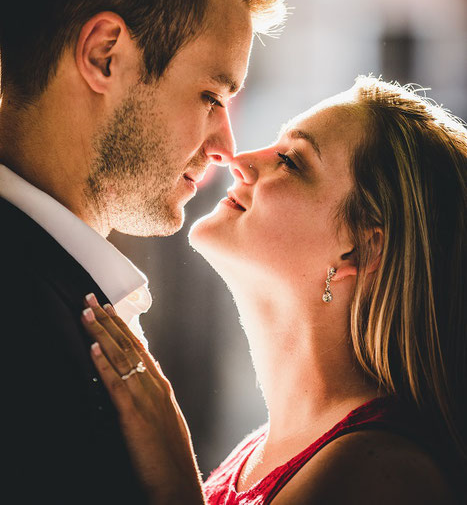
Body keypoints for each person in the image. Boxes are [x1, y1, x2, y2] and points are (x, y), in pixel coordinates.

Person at [0, 0, 284, 503]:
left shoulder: (54, 296)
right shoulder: (28, 330)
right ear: (105, 55)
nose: (224, 149)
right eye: (211, 94)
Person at [81, 76, 466, 504]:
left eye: (291, 161)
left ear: (359, 248)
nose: (239, 159)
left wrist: (175, 488)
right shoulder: (264, 449)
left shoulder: (378, 473)